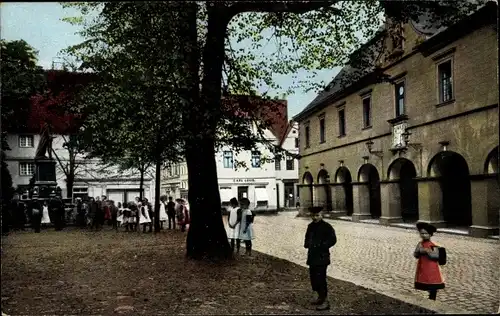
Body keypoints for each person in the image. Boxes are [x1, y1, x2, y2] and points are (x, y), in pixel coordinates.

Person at [304, 207, 337, 311]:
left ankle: (326, 301)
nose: (315, 217)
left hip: (322, 257)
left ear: (321, 215)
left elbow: (333, 239)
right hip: (312, 256)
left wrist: (323, 245)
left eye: (317, 215)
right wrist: (307, 244)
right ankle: (319, 297)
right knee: (313, 278)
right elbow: (307, 238)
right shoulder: (310, 226)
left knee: (321, 279)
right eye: (313, 215)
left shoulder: (327, 227)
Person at [414, 222, 445, 301]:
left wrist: (427, 251)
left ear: (430, 234)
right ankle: (430, 294)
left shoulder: (433, 245)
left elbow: (436, 256)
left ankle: (432, 296)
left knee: (433, 281)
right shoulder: (420, 244)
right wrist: (418, 251)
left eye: (426, 233)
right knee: (425, 280)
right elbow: (416, 255)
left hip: (432, 267)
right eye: (422, 233)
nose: (423, 235)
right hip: (423, 266)